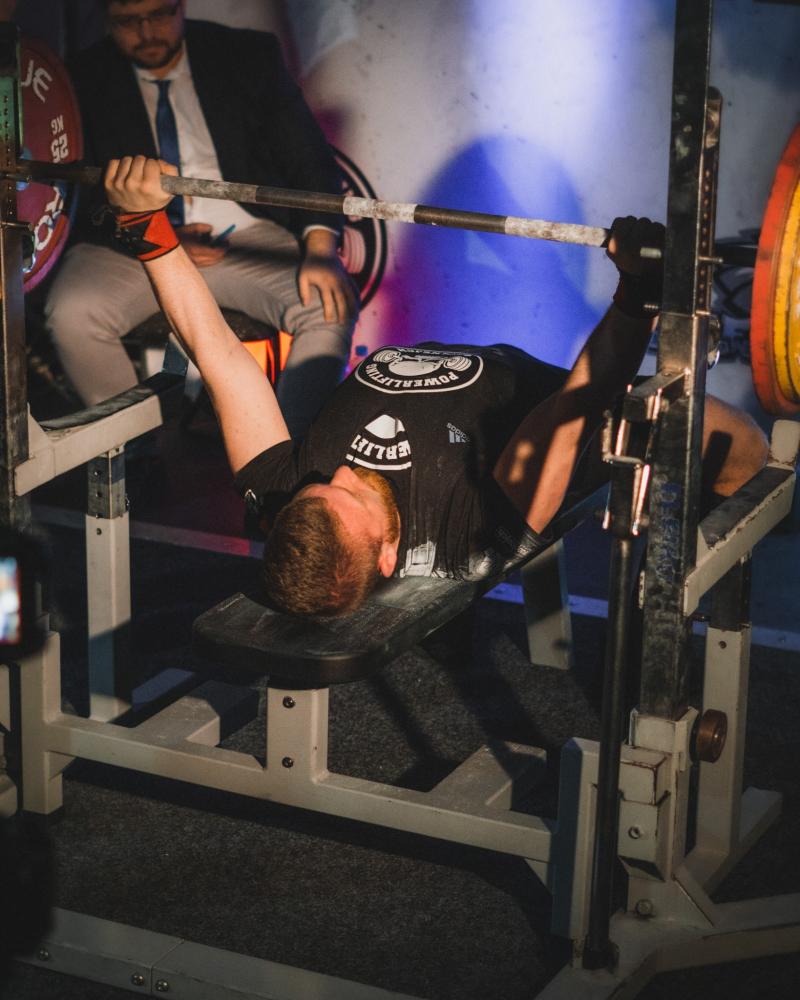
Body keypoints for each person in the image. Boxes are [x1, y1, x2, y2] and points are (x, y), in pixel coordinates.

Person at [104, 156, 769, 617]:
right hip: (558, 408)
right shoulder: (471, 534)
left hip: (482, 368)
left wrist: (146, 227)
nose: (343, 473)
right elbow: (576, 407)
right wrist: (639, 291)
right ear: (388, 556)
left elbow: (219, 355)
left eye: (320, 485)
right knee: (742, 448)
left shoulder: (283, 493)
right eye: (349, 495)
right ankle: (680, 611)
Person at [45, 0, 358, 438]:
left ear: (181, 7)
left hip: (246, 234)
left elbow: (309, 157)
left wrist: (321, 249)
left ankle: (282, 455)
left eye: (159, 14)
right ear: (107, 21)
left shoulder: (247, 55)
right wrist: (159, 235)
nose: (146, 32)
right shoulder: (82, 76)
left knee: (328, 305)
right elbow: (77, 194)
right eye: (128, 21)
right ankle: (133, 453)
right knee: (72, 314)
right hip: (133, 239)